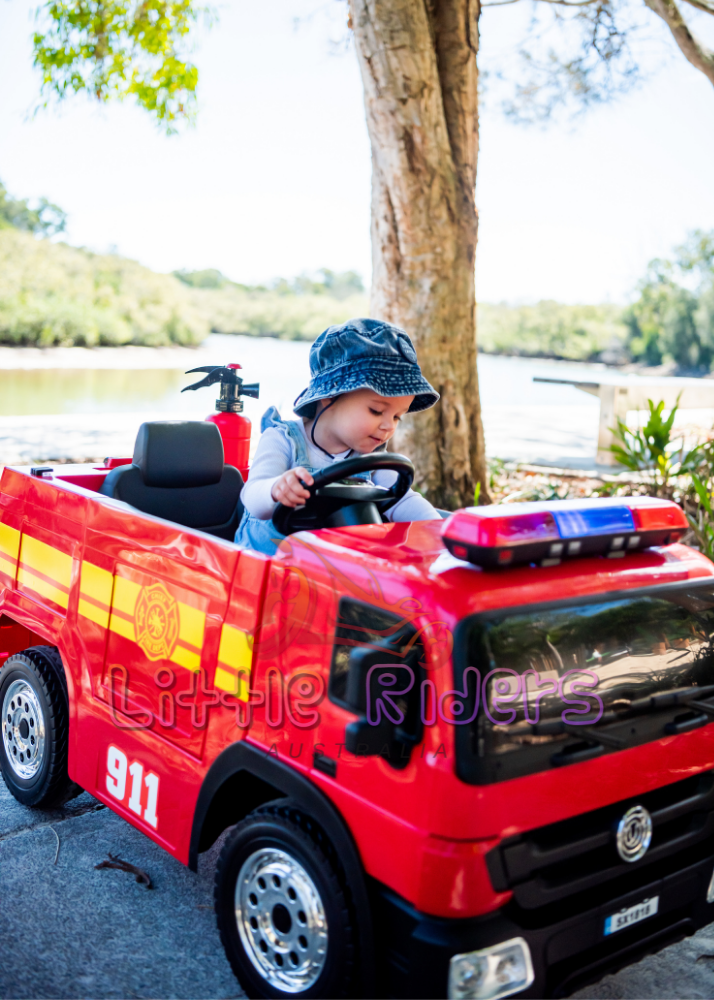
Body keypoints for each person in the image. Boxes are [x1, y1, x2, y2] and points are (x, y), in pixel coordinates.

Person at [235, 318, 442, 555]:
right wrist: (276, 489)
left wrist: (440, 531)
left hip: (331, 574)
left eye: (397, 417)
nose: (388, 426)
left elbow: (403, 501)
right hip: (263, 569)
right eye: (376, 411)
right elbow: (252, 496)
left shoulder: (370, 458)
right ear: (330, 396)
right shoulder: (283, 438)